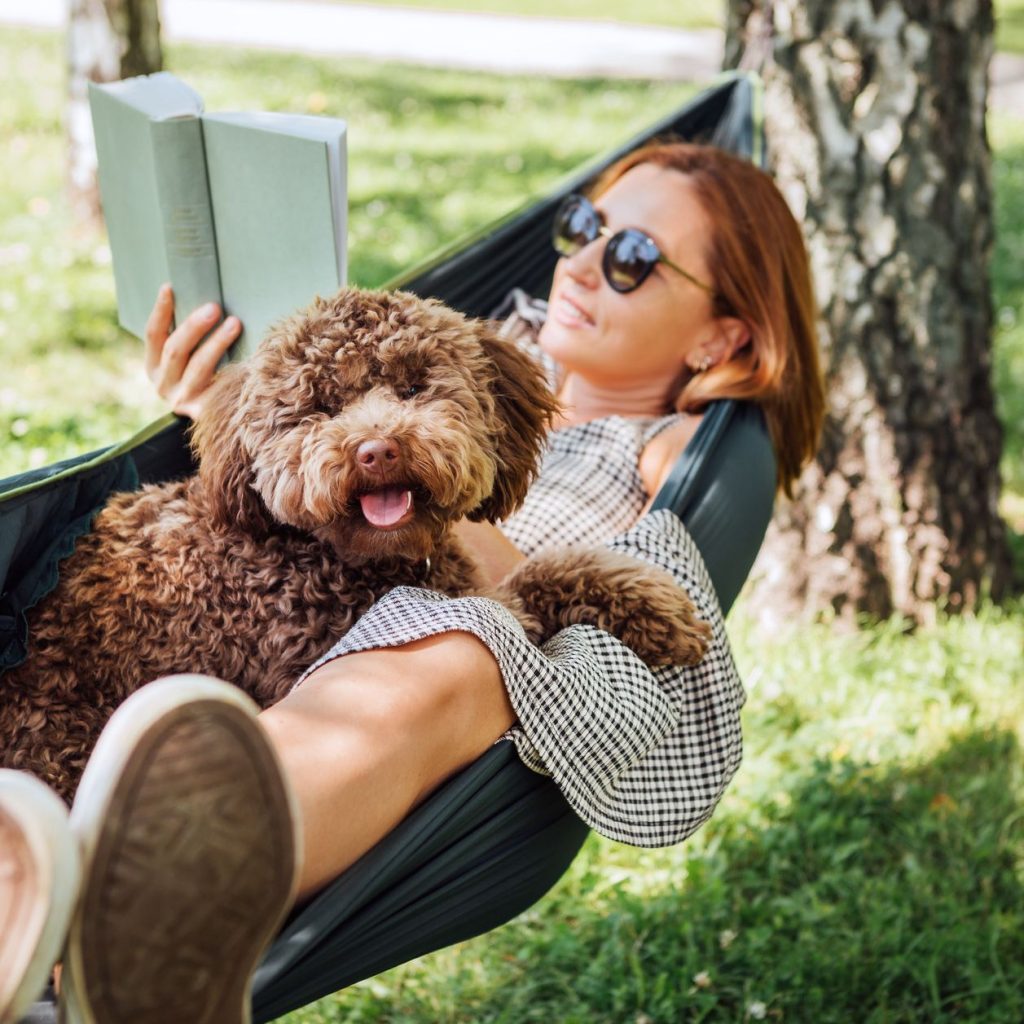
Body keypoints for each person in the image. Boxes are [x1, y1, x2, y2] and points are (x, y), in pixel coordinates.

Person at [0, 141, 824, 1023]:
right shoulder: (478, 335)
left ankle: (114, 914)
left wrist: (441, 502)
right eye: (583, 227)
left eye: (631, 261)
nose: (582, 266)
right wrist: (226, 411)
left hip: (440, 644)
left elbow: (654, 584)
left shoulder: (661, 448)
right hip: (250, 612)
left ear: (721, 335)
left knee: (443, 653)